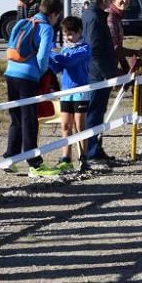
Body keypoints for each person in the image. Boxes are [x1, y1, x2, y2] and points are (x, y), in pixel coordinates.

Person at [3, 0, 63, 177]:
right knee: (30, 120)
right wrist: (43, 73)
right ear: (54, 14)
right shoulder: (46, 28)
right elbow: (43, 57)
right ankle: (35, 164)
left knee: (17, 119)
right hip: (27, 78)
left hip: (10, 73)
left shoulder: (23, 22)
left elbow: (11, 45)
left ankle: (9, 159)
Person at [48, 16, 91, 172]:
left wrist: (49, 52)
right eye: (65, 35)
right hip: (66, 92)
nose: (68, 38)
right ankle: (66, 157)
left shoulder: (85, 48)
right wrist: (48, 58)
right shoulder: (65, 49)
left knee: (80, 125)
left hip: (80, 91)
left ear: (79, 31)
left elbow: (69, 62)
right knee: (65, 125)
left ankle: (83, 157)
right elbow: (59, 68)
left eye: (71, 34)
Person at [82, 0, 118, 165]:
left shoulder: (91, 14)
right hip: (97, 74)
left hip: (98, 72)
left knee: (98, 112)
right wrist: (109, 73)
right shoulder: (95, 18)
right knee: (94, 112)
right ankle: (92, 151)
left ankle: (96, 147)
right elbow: (95, 50)